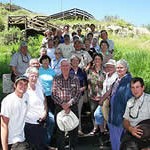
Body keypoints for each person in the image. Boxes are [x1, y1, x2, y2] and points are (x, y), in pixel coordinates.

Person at [52, 59, 81, 150]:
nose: (65, 67)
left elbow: (78, 93)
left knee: (73, 129)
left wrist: (69, 104)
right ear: (60, 67)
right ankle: (61, 148)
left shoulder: (75, 78)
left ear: (70, 67)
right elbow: (53, 94)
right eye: (63, 66)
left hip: (72, 107)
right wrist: (63, 104)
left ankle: (73, 147)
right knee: (60, 130)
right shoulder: (56, 79)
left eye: (67, 65)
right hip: (59, 107)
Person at [1, 75, 31, 150]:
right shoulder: (8, 101)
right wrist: (5, 148)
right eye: (20, 83)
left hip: (22, 137)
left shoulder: (26, 96)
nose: (23, 86)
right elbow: (3, 125)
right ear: (15, 85)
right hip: (12, 141)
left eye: (25, 84)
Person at [108, 59, 132, 150]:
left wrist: (126, 118)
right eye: (117, 68)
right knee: (115, 141)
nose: (119, 69)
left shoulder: (129, 81)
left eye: (121, 67)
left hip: (120, 118)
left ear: (126, 69)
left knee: (120, 142)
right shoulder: (117, 79)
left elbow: (130, 101)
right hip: (113, 116)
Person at [120, 77, 150, 150]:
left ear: (143, 87)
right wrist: (130, 129)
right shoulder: (130, 101)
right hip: (131, 133)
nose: (135, 90)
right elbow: (125, 120)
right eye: (132, 87)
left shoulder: (148, 100)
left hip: (146, 136)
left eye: (137, 87)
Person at [24, 67, 48, 150]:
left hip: (41, 122)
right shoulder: (24, 90)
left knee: (41, 145)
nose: (34, 78)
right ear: (28, 76)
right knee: (33, 146)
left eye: (36, 76)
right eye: (32, 76)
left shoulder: (39, 86)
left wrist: (45, 112)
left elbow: (44, 101)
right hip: (29, 123)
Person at [87, 53, 105, 135]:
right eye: (96, 59)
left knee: (102, 112)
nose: (97, 60)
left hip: (103, 96)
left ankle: (103, 128)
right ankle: (95, 127)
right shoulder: (90, 70)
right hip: (92, 95)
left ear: (101, 61)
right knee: (93, 112)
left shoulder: (105, 70)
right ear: (93, 60)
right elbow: (87, 81)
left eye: (99, 59)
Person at [70, 55, 88, 136]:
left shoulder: (82, 71)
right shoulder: (68, 70)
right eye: (73, 61)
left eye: (77, 61)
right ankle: (69, 131)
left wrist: (81, 89)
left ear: (79, 62)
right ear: (71, 62)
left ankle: (79, 129)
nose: (75, 62)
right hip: (69, 96)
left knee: (78, 112)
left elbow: (86, 85)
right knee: (69, 113)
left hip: (80, 95)